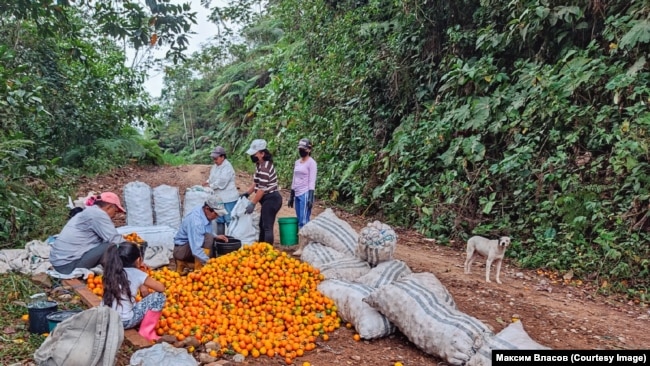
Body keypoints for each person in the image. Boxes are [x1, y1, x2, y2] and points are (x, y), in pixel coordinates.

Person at [101, 241, 166, 341]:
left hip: (107, 320)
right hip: (125, 322)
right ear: (138, 260)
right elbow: (161, 288)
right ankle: (146, 332)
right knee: (159, 297)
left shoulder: (110, 271)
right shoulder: (137, 273)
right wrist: (143, 278)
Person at [50, 192, 125, 275]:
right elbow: (116, 239)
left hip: (59, 262)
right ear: (109, 207)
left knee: (107, 243)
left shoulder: (89, 211)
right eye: (115, 211)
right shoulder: (98, 215)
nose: (115, 215)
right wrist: (134, 251)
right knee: (112, 246)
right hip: (67, 266)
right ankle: (114, 275)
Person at [242, 139, 282, 244]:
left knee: (267, 226)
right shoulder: (260, 165)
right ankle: (261, 248)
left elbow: (262, 189)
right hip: (267, 199)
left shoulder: (265, 167)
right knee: (262, 225)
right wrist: (246, 193)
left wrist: (252, 203)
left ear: (262, 154)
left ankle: (267, 251)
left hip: (272, 199)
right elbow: (256, 183)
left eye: (254, 154)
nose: (252, 156)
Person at [173, 196, 229, 267]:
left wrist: (216, 236)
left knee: (210, 237)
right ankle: (198, 269)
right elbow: (196, 249)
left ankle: (195, 264)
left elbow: (206, 229)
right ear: (207, 209)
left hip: (190, 246)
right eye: (216, 214)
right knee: (208, 238)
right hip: (181, 250)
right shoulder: (196, 222)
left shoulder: (203, 212)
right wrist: (210, 262)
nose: (217, 216)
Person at [203, 146, 239, 235]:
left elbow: (221, 183)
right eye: (213, 159)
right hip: (219, 198)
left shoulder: (227, 167)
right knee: (219, 219)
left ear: (222, 157)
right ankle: (221, 241)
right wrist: (207, 182)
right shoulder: (215, 166)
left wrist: (210, 185)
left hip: (228, 198)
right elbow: (212, 177)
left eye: (216, 158)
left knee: (229, 219)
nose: (215, 160)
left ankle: (232, 240)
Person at [288, 138, 318, 229]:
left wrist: (310, 197)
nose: (301, 151)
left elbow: (312, 180)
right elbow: (294, 178)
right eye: (300, 149)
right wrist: (291, 196)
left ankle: (305, 241)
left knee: (304, 220)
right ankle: (302, 239)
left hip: (305, 193)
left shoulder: (311, 163)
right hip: (297, 193)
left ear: (309, 150)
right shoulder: (297, 162)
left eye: (303, 149)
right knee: (299, 218)